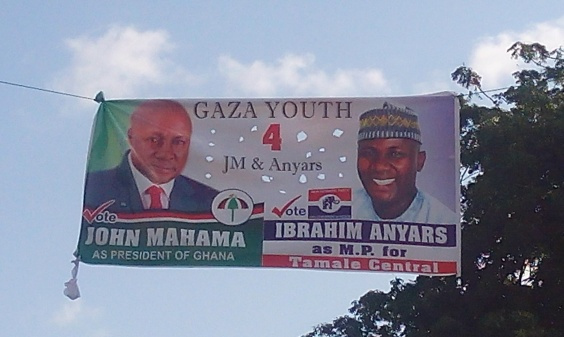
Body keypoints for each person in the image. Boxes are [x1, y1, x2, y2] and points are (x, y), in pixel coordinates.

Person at [83, 99, 218, 213]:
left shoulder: (210, 201)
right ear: (131, 137)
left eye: (178, 142)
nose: (165, 154)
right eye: (154, 140)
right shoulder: (98, 188)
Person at [353, 102, 457, 224]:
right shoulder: (343, 208)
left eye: (395, 154)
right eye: (369, 154)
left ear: (419, 161)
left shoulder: (443, 221)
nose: (380, 166)